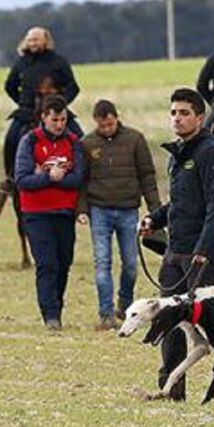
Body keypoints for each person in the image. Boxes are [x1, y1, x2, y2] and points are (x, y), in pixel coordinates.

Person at [140, 88, 214, 401]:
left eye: (184, 113)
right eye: (173, 113)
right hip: (174, 252)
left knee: (211, 330)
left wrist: (204, 250)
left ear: (200, 118)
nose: (177, 118)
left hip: (201, 255)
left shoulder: (210, 153)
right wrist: (154, 219)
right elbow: (180, 203)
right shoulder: (179, 153)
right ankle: (171, 389)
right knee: (169, 323)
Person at [77, 99, 161, 330]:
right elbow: (82, 182)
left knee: (131, 264)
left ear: (117, 118)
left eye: (111, 124)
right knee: (102, 263)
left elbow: (147, 176)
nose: (107, 129)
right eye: (102, 126)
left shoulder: (135, 139)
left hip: (128, 210)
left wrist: (156, 210)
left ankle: (124, 303)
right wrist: (82, 210)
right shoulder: (87, 144)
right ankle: (105, 314)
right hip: (99, 210)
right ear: (96, 122)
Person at [14, 95, 85, 331]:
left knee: (64, 262)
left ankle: (58, 305)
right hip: (36, 213)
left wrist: (51, 176)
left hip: (64, 212)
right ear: (44, 117)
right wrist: (48, 176)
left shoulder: (74, 142)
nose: (60, 124)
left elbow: (77, 178)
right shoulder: (29, 141)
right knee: (47, 264)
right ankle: (50, 315)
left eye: (63, 119)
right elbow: (23, 179)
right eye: (55, 119)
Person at [3, 26, 83, 176]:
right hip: (27, 112)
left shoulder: (58, 62)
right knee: (11, 139)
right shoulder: (21, 63)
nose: (32, 43)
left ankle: (84, 173)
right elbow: (9, 86)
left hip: (56, 111)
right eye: (30, 40)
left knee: (80, 137)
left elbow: (73, 87)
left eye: (36, 40)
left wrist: (61, 104)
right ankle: (10, 177)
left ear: (45, 41)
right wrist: (23, 102)